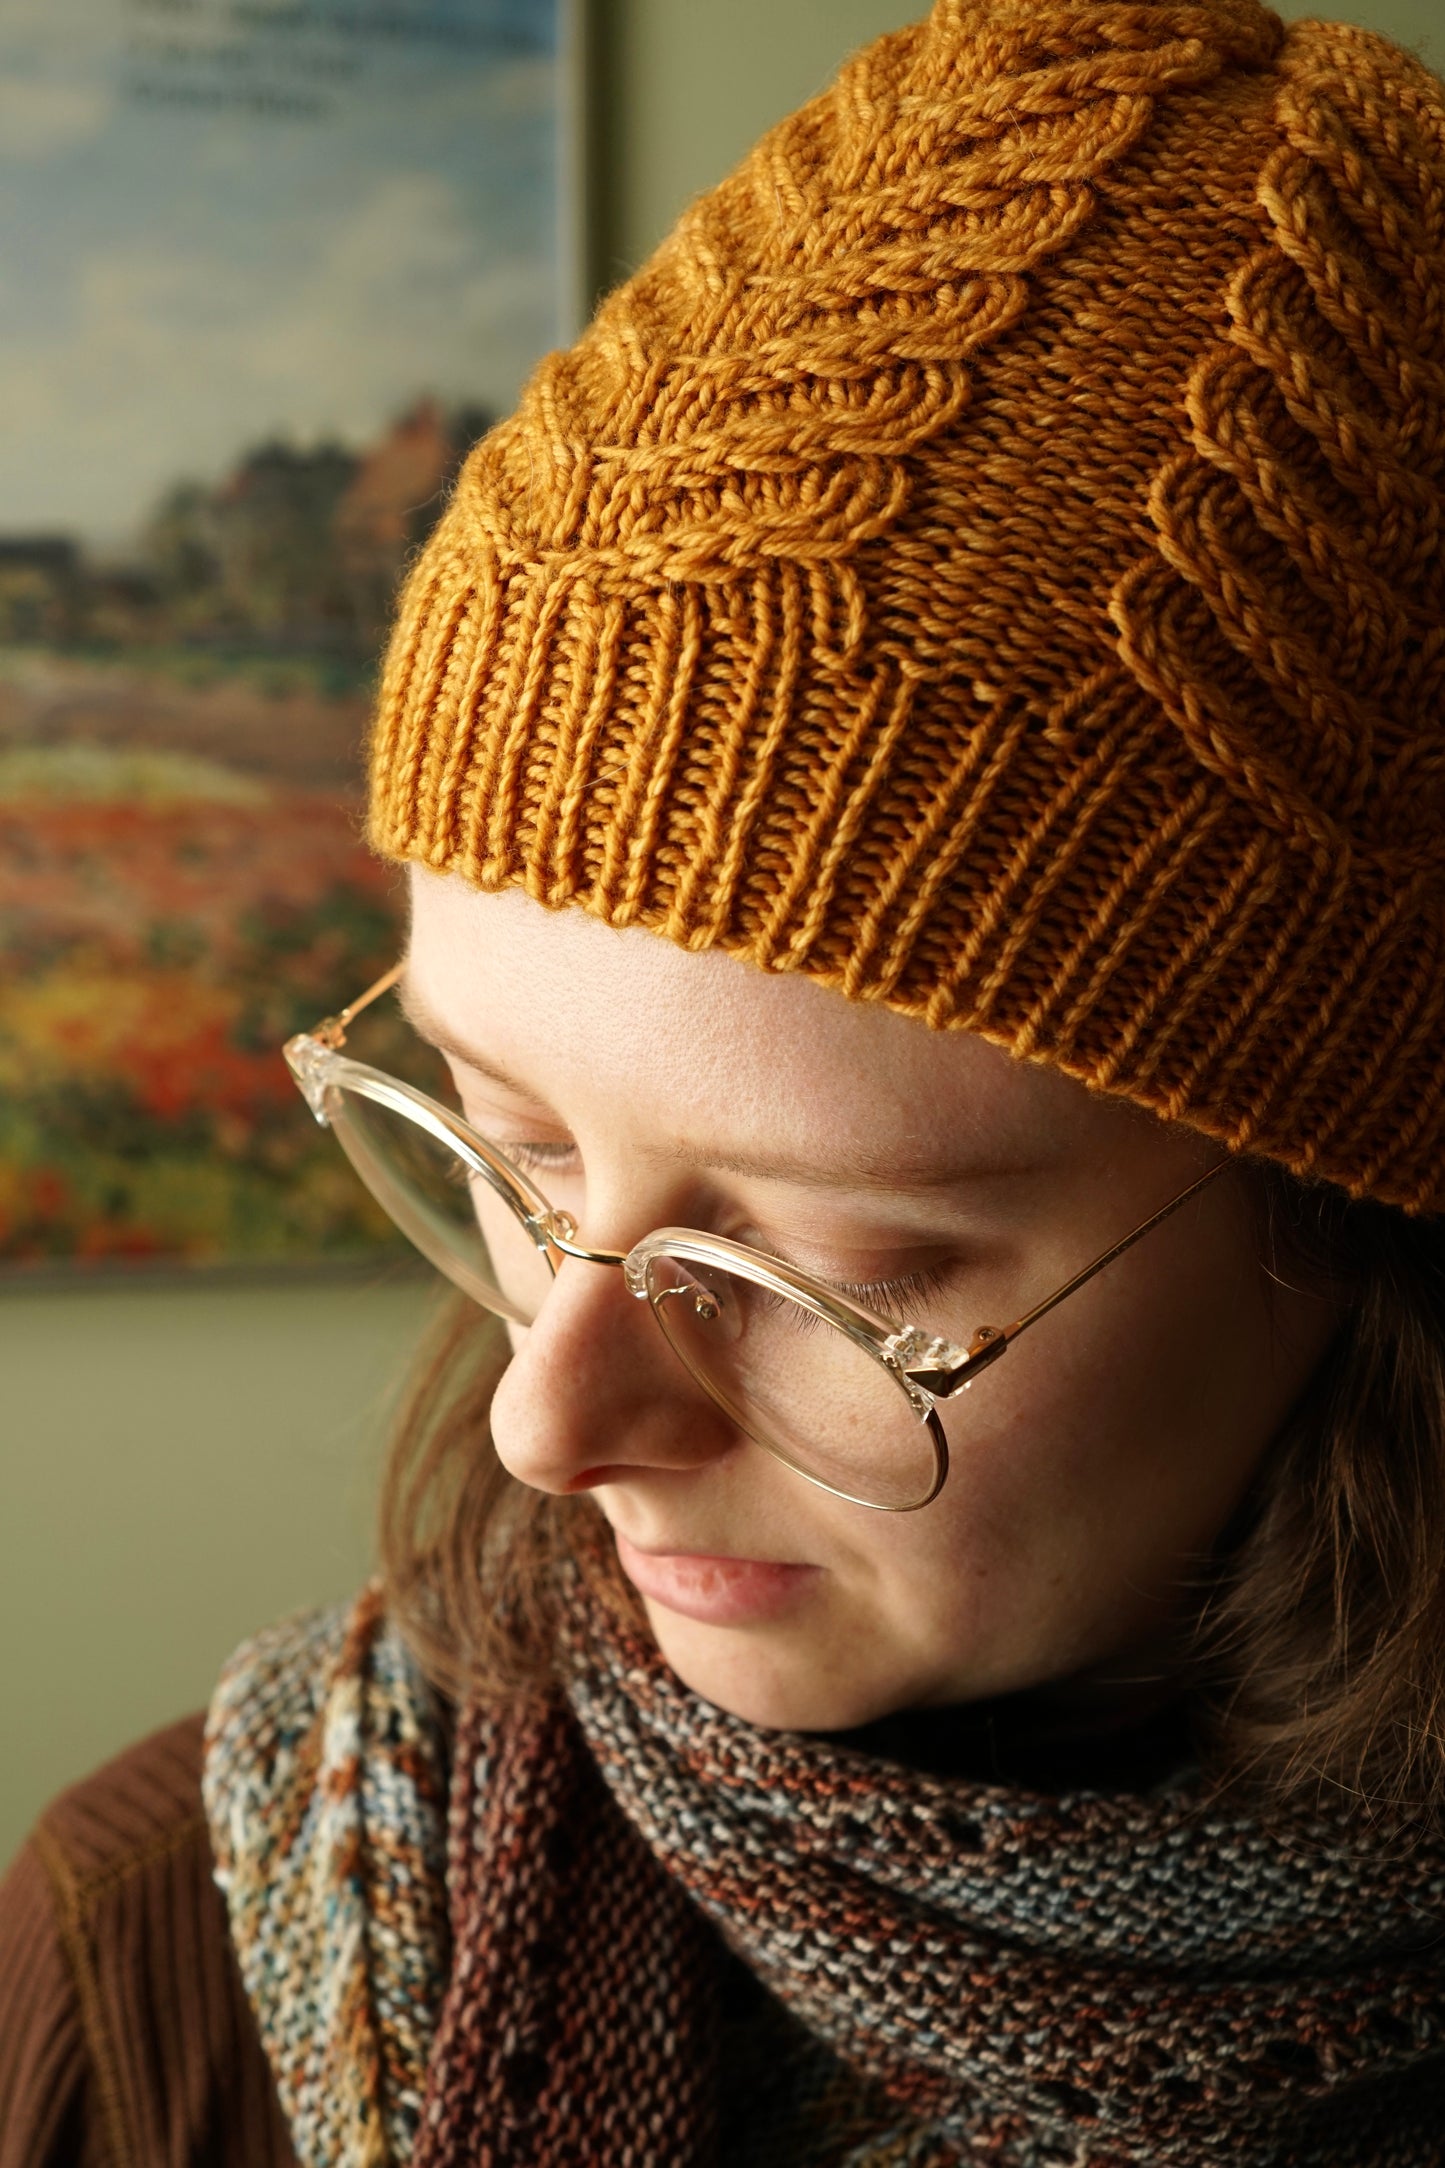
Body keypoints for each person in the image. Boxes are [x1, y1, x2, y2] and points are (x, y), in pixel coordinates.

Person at [4, 0, 1445, 2159]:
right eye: (498, 1142)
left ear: (1355, 1217)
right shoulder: (163, 1979)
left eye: (846, 1262)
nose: (547, 1416)